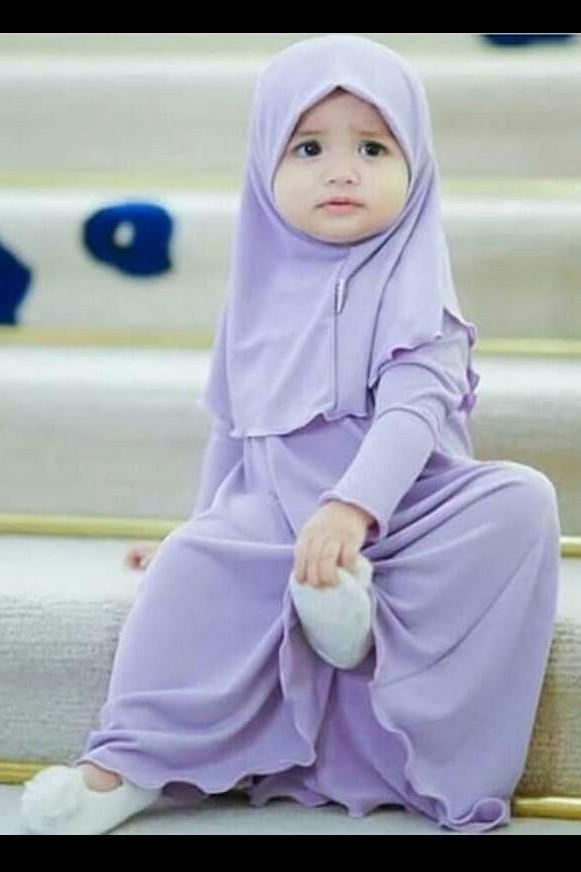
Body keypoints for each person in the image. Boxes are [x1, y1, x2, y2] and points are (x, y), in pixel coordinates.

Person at [21, 33, 561, 836]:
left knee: (520, 501)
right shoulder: (255, 296)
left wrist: (352, 510)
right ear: (263, 166)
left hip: (407, 519)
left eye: (372, 147)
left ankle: (357, 613)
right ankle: (128, 765)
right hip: (278, 517)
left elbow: (413, 412)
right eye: (308, 147)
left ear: (415, 167)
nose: (341, 170)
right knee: (193, 567)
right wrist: (201, 524)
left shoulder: (417, 289)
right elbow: (232, 429)